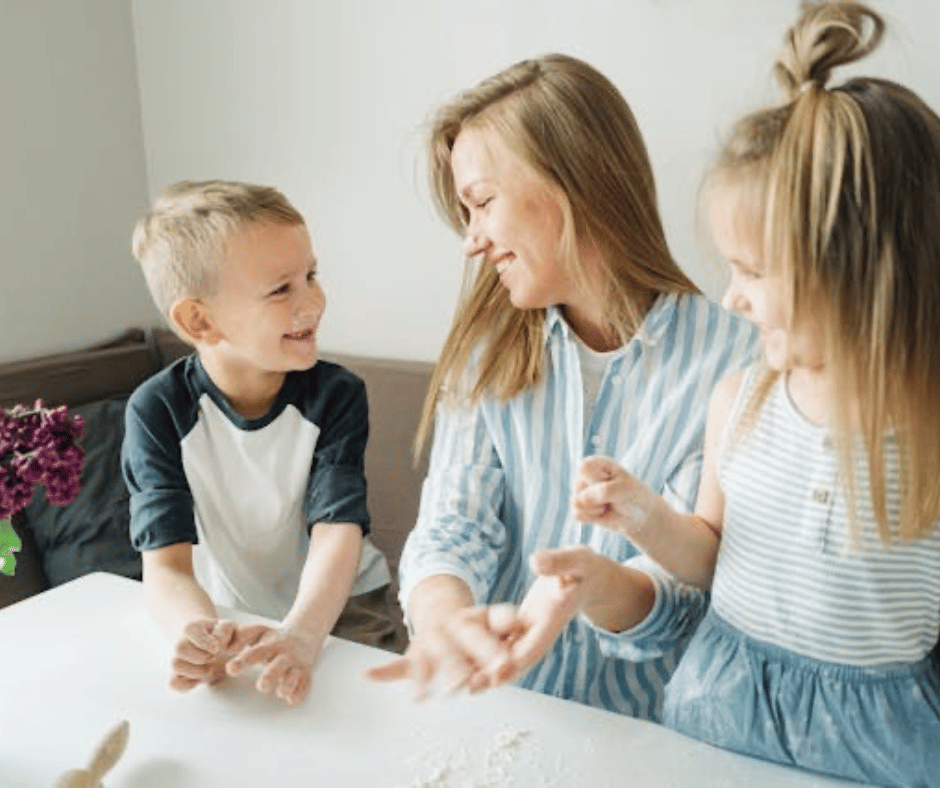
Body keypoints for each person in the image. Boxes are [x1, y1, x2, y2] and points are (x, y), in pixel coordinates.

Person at [524, 4, 940, 784]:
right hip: (720, 709)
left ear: (858, 272)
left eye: (752, 271)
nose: (732, 298)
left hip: (880, 744)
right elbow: (710, 556)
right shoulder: (741, 399)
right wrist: (644, 515)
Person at [367, 54, 757, 719]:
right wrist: (443, 620)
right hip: (497, 708)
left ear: (573, 182)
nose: (472, 241)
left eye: (482, 203)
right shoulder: (484, 349)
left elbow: (690, 594)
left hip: (646, 731)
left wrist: (597, 588)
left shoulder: (735, 360)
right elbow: (452, 525)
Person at [123, 180, 397, 706]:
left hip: (342, 603)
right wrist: (196, 632)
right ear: (199, 320)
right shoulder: (156, 411)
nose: (313, 301)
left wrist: (303, 634)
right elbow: (165, 566)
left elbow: (337, 531)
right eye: (281, 289)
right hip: (231, 612)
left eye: (310, 275)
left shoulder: (337, 395)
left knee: (363, 712)